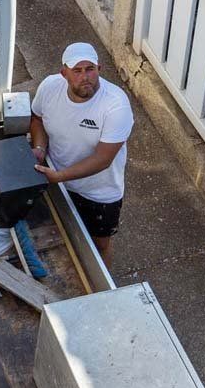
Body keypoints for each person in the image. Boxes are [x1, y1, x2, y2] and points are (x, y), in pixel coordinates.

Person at [30, 42, 134, 267]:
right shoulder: (49, 87)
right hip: (56, 179)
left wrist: (59, 176)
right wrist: (39, 148)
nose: (85, 77)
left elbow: (103, 159)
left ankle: (100, 284)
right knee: (62, 234)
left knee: (99, 245)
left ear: (99, 69)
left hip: (98, 193)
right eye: (77, 71)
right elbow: (37, 118)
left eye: (90, 69)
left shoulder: (116, 105)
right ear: (64, 73)